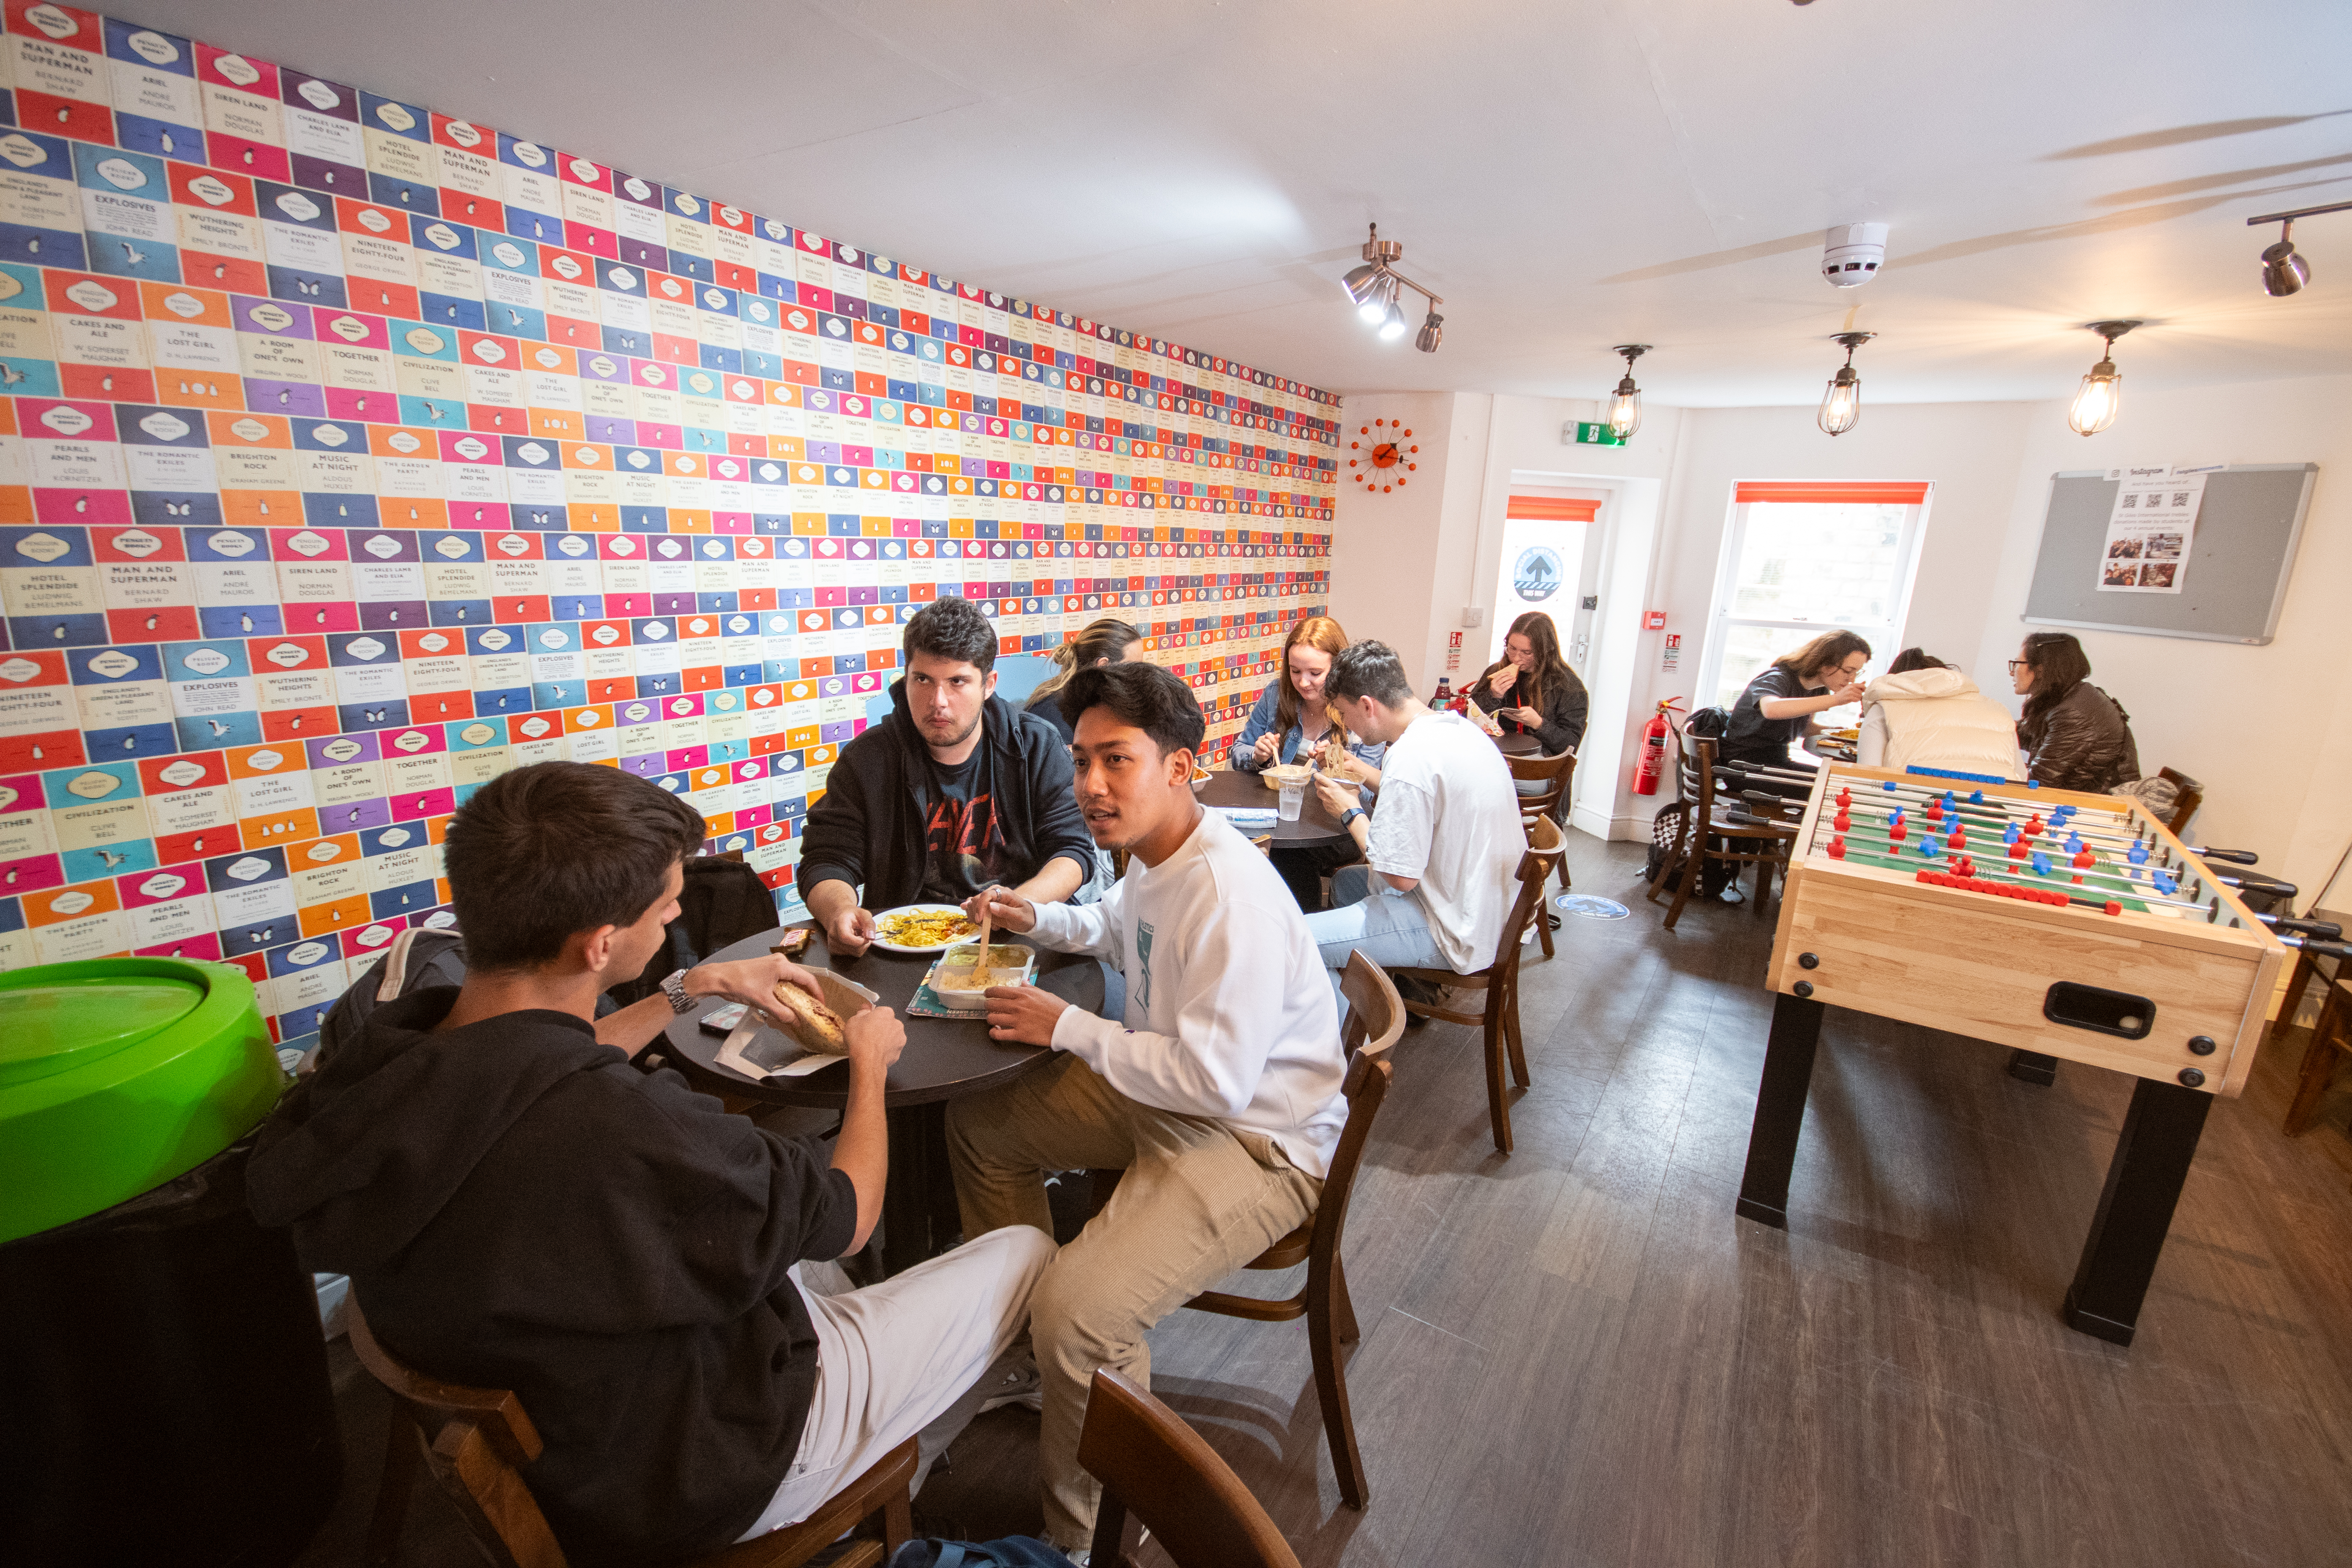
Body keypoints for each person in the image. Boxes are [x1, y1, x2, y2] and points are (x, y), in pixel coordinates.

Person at [245, 762, 1053, 1565]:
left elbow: (527, 1062)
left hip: (571, 1409)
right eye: (667, 904)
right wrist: (868, 1063)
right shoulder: (630, 1131)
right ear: (600, 944)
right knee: (1024, 1253)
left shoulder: (390, 1065)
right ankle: (867, 1494)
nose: (674, 913)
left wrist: (690, 987)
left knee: (801, 1252)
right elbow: (849, 1213)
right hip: (703, 1462)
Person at [946, 662, 1346, 1554]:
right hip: (1174, 1090)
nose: (1090, 783)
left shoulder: (1228, 896)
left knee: (1081, 1311)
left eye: (1115, 759)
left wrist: (1068, 1026)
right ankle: (1033, 1355)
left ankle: (1083, 1539)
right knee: (980, 1126)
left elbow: (1215, 1084)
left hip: (1258, 1142)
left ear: (1179, 765)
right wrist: (1036, 918)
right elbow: (1112, 922)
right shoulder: (1159, 853)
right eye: (1081, 759)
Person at [798, 596, 1097, 956]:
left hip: (1019, 942)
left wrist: (1018, 906)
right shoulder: (868, 759)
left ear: (988, 685)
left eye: (957, 681)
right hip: (903, 946)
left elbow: (1072, 851)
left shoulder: (1036, 746)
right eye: (923, 679)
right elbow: (827, 859)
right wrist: (839, 910)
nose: (938, 701)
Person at [1304, 640, 1525, 1009]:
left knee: (1300, 941)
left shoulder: (1410, 758)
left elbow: (1399, 877)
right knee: (1346, 883)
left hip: (1453, 928)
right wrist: (1360, 770)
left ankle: (1357, 1039)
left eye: (1344, 713)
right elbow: (1425, 794)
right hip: (1489, 907)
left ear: (1367, 706)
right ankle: (1373, 999)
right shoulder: (1455, 729)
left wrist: (1350, 810)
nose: (1348, 727)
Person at [1231, 614, 1387, 911]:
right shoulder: (1277, 695)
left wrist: (1336, 769)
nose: (1303, 682)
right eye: (1295, 671)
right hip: (1279, 816)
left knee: (1287, 855)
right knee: (1234, 842)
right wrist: (1258, 756)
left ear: (1338, 669)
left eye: (1316, 673)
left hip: (1336, 827)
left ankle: (1303, 929)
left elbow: (1366, 796)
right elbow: (1240, 752)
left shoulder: (1358, 707)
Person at [1465, 610, 1589, 792]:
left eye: (1527, 652)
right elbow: (1466, 721)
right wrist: (1493, 696)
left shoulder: (1568, 686)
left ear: (1546, 650)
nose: (1516, 658)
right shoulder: (1496, 672)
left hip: (1540, 766)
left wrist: (1539, 724)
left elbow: (1571, 746)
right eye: (1512, 648)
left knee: (1478, 780)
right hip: (1494, 755)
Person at [1855, 648, 2023, 777]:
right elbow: (2021, 777)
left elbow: (1869, 775)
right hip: (1993, 804)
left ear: (1895, 678)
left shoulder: (1884, 708)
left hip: (1914, 803)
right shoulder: (1999, 711)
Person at [1718, 629, 1872, 770]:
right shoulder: (1777, 678)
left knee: (1832, 778)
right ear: (1825, 664)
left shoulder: (1819, 689)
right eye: (1848, 671)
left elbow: (1803, 728)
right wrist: (1836, 699)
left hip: (1777, 760)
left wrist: (1838, 733)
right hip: (1743, 764)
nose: (1852, 679)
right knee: (1829, 783)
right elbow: (1771, 709)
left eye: (1857, 673)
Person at [2012, 630, 2141, 792]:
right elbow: (2028, 736)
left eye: (2017, 663)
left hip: (2097, 802)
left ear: (2040, 670)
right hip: (2082, 795)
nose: (2012, 671)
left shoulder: (2073, 712)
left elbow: (2039, 783)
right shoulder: (2069, 696)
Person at [1023, 616, 1143, 745]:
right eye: (1133, 667)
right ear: (1104, 665)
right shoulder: (1054, 715)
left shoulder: (1100, 702)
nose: (1139, 675)